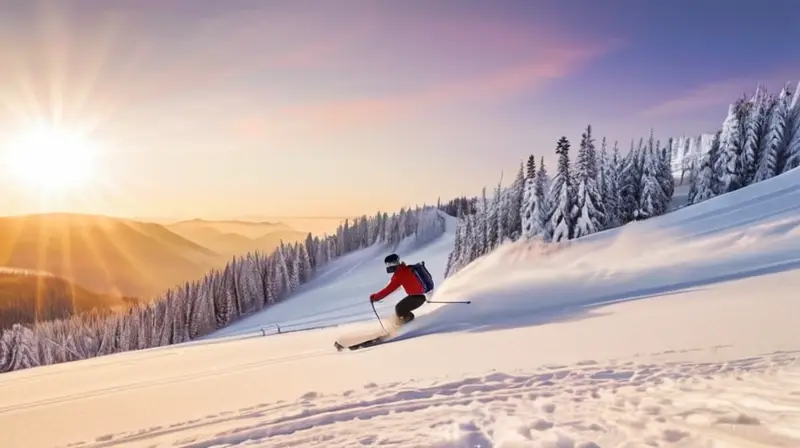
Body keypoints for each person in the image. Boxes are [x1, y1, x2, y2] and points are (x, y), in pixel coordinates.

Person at [369, 253, 428, 324]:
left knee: (400, 309)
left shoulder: (400, 274)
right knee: (399, 308)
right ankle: (405, 323)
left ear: (394, 263)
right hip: (419, 296)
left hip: (417, 298)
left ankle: (411, 325)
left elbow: (389, 289)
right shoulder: (406, 269)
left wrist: (375, 297)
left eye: (389, 264)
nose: (388, 267)